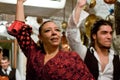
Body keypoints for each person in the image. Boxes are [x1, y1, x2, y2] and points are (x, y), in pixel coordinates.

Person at [7, 0, 95, 80]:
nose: (54, 33)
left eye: (57, 30)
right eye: (48, 30)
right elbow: (21, 31)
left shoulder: (71, 58)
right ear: (40, 37)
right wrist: (20, 3)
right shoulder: (33, 53)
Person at [66, 0, 120, 80]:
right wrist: (79, 6)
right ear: (94, 36)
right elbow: (71, 31)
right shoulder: (84, 53)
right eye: (104, 33)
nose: (109, 36)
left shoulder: (117, 58)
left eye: (110, 33)